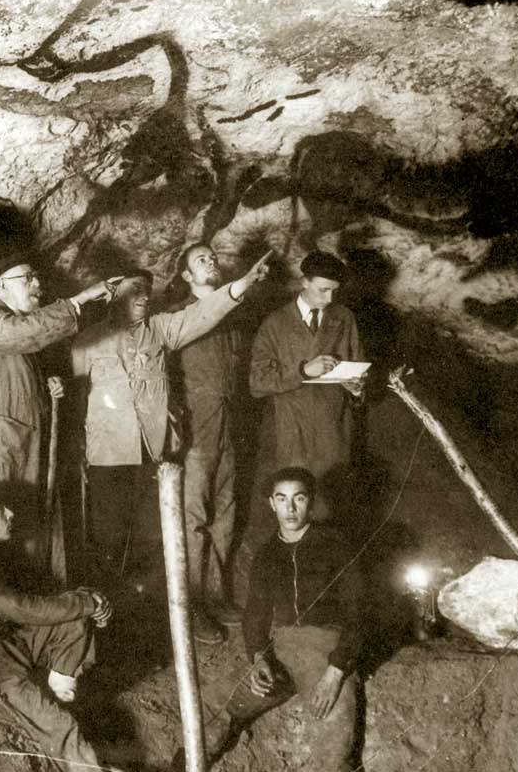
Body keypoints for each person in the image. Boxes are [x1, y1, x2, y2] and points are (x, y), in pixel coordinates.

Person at [69, 251, 270, 611]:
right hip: (107, 457)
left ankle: (149, 617)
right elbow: (74, 400)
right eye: (134, 289)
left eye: (147, 289)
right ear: (113, 294)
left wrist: (244, 283)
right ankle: (104, 617)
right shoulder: (87, 342)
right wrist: (77, 451)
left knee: (151, 539)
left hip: (151, 454)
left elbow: (205, 312)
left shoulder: (161, 330)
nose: (143, 295)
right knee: (107, 541)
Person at [178, 468, 365, 772]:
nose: (290, 509)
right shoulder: (267, 554)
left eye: (298, 498)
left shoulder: (335, 544)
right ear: (271, 503)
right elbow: (255, 616)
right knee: (211, 705)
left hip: (328, 652)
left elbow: (360, 612)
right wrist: (258, 660)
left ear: (311, 502)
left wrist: (336, 673)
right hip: (283, 651)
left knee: (334, 749)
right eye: (282, 499)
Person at [0, 247, 115, 572]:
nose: (36, 283)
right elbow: (23, 334)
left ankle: (21, 608)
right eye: (27, 278)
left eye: (36, 276)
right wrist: (79, 300)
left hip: (15, 442)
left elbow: (13, 369)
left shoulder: (17, 329)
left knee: (17, 530)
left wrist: (45, 388)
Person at [0, 482, 113, 771]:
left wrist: (88, 599)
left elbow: (41, 602)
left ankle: (57, 693)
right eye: (1, 511)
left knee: (74, 616)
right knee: (62, 727)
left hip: (5, 647)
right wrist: (85, 602)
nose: (11, 513)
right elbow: (22, 608)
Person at [168, 243, 252, 643]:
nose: (212, 261)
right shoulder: (180, 318)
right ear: (186, 276)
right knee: (194, 519)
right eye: (202, 259)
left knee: (226, 515)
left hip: (229, 431)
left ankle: (217, 596)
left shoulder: (234, 317)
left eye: (214, 257)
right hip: (196, 433)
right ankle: (193, 604)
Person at [248, 250, 364, 523]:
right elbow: (256, 383)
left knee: (334, 509)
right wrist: (303, 370)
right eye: (323, 290)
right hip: (292, 431)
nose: (330, 298)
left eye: (335, 291)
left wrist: (356, 388)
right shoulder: (275, 324)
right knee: (295, 510)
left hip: (333, 429)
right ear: (304, 282)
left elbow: (359, 370)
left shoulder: (344, 318)